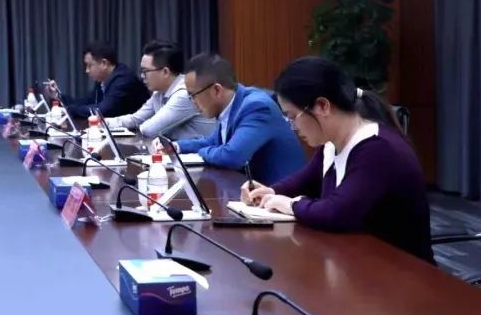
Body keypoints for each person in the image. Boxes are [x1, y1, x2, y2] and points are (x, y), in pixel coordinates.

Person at [242, 56, 434, 262]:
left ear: (322, 106)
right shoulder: (332, 142)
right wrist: (271, 191)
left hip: (400, 271)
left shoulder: (378, 148)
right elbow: (306, 181)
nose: (293, 127)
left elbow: (336, 213)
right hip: (355, 261)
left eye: (292, 116)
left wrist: (291, 205)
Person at [174, 52, 304, 184]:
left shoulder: (256, 106)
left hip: (282, 192)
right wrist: (176, 146)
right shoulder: (229, 105)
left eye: (193, 95)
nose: (192, 102)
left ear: (216, 90)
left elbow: (232, 156)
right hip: (255, 190)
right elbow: (213, 141)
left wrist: (201, 153)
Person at [104, 41, 216, 139]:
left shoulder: (184, 94)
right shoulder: (159, 92)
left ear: (165, 72)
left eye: (145, 71)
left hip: (199, 154)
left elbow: (149, 130)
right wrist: (104, 122)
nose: (142, 76)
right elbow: (135, 119)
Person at [46, 41, 146, 119]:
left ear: (104, 64)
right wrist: (59, 96)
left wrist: (68, 110)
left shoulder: (123, 80)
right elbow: (86, 102)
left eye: (90, 65)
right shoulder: (102, 80)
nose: (87, 70)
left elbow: (103, 110)